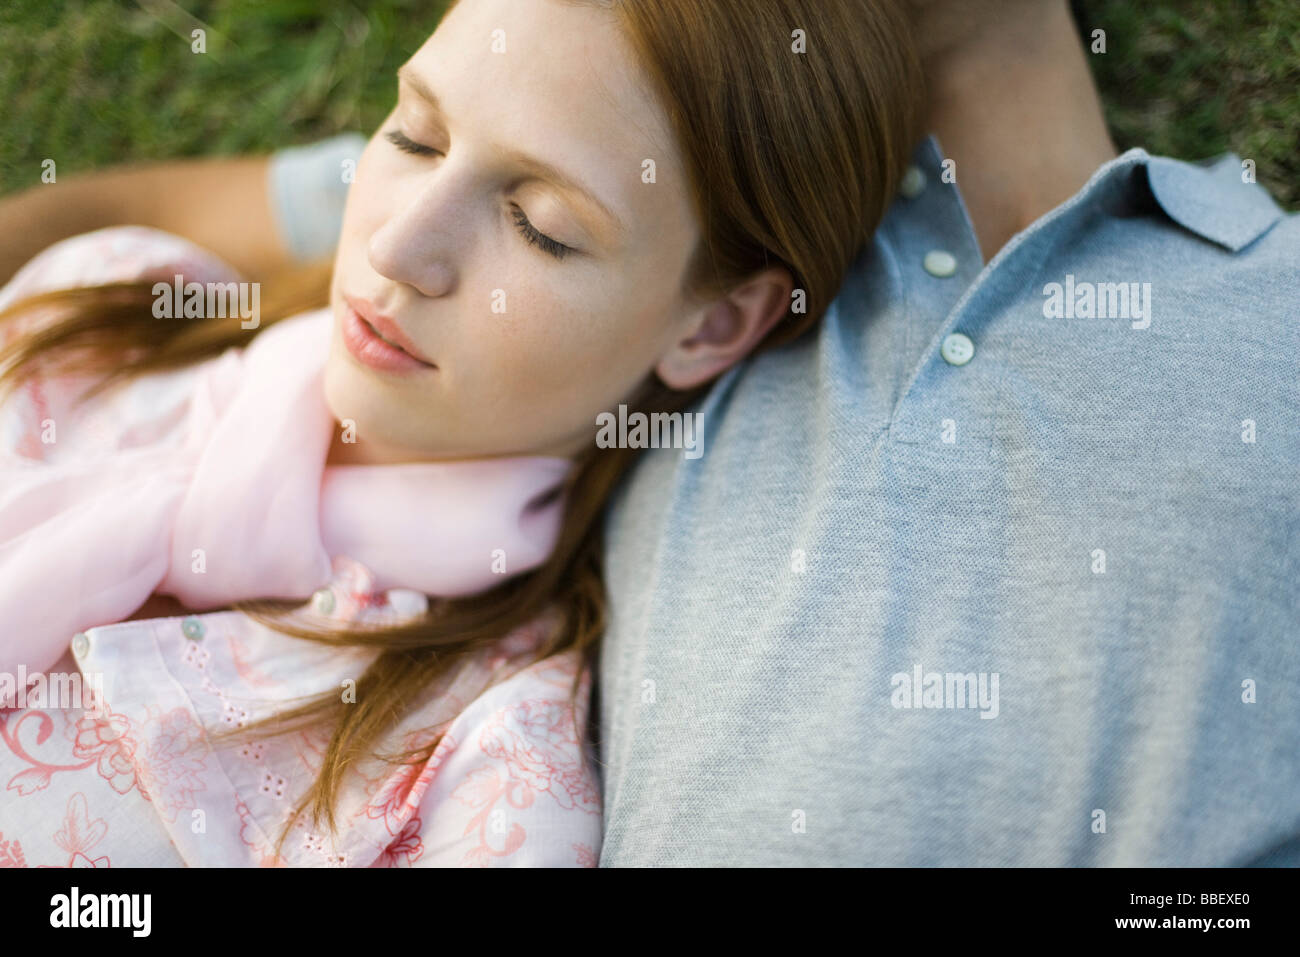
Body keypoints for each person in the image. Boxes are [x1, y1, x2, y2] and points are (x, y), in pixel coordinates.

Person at [3, 0, 1296, 868]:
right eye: (413, 134)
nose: (398, 241)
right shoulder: (606, 93)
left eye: (546, 229)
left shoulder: (1261, 309)